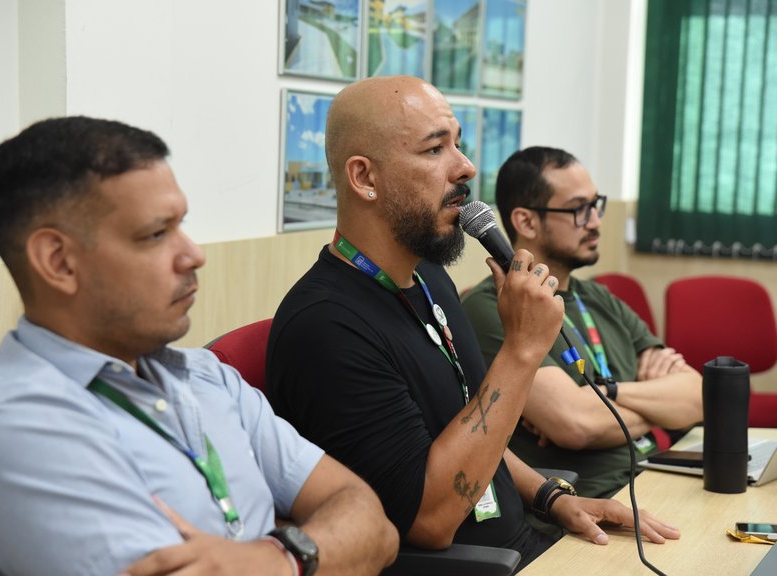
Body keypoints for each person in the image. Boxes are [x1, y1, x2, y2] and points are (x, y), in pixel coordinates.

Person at [266, 75, 680, 571]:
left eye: (458, 143)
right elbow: (431, 521)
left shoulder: (430, 280)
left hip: (529, 543)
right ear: (365, 178)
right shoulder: (327, 328)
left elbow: (471, 427)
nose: (465, 167)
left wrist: (552, 497)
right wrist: (522, 350)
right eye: (435, 149)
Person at [0, 116, 398, 576]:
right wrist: (320, 545)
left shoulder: (205, 375)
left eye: (182, 225)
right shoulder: (23, 431)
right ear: (59, 262)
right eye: (156, 234)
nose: (194, 254)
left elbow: (375, 527)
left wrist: (278, 559)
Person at [462, 146, 703, 498]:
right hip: (585, 506)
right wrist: (661, 408)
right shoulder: (492, 307)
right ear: (526, 222)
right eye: (578, 209)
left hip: (655, 478)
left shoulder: (599, 298)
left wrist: (608, 395)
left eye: (596, 205)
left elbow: (697, 396)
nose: (595, 221)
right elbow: (575, 425)